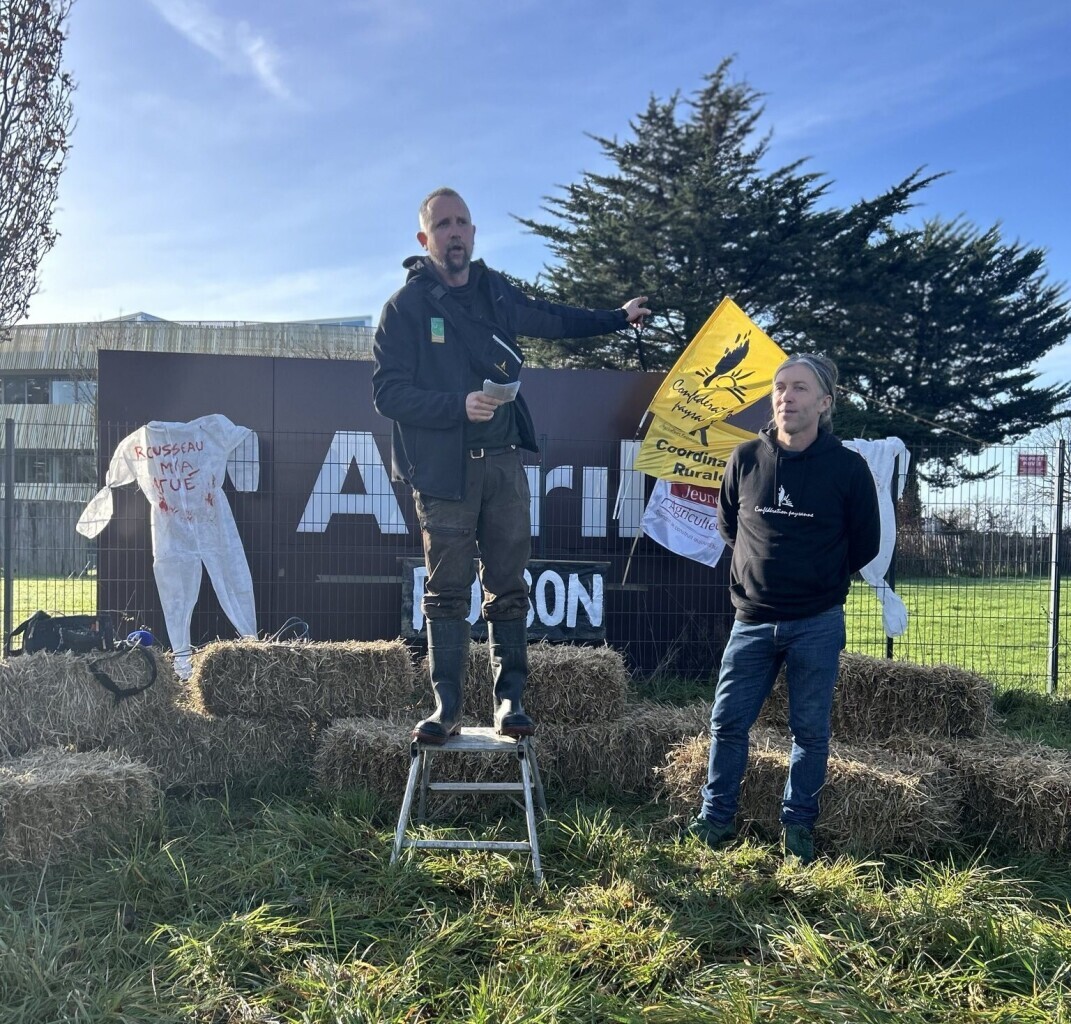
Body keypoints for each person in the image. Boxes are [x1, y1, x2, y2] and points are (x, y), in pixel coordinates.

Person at [372, 187, 649, 744]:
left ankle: (509, 702)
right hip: (444, 474)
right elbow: (387, 394)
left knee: (508, 586)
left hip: (503, 466)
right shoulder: (404, 309)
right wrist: (457, 407)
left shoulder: (495, 291)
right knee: (446, 592)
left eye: (462, 223)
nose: (454, 233)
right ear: (425, 239)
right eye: (442, 225)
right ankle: (446, 707)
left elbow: (552, 318)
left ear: (473, 234)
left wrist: (616, 319)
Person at [688, 352, 880, 863]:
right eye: (779, 387)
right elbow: (730, 526)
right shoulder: (745, 458)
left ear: (824, 402)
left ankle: (797, 829)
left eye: (798, 388)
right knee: (727, 723)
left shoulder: (848, 468)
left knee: (810, 732)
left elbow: (865, 543)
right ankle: (716, 818)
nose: (785, 397)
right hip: (751, 620)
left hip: (817, 622)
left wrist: (817, 579)